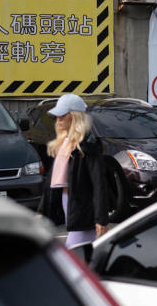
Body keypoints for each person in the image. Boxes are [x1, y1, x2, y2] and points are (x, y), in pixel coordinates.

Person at [44, 93, 111, 247]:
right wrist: (42, 211)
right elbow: (51, 181)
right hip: (68, 202)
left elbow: (99, 183)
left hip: (82, 207)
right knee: (84, 254)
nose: (58, 119)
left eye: (62, 115)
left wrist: (101, 218)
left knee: (73, 253)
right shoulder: (63, 143)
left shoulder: (88, 145)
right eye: (57, 116)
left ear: (75, 117)